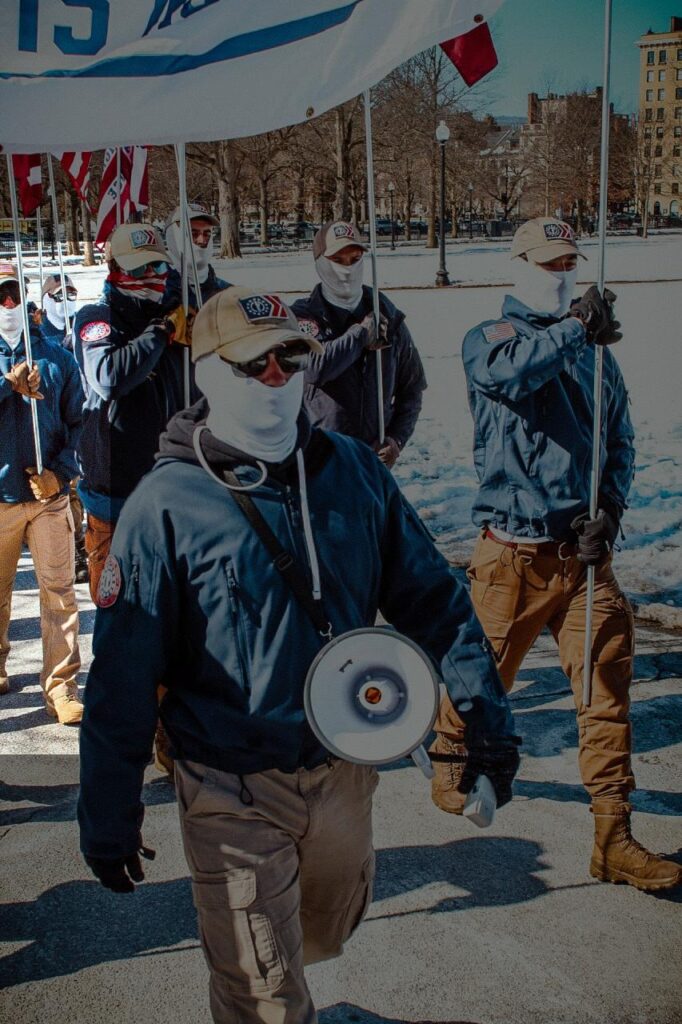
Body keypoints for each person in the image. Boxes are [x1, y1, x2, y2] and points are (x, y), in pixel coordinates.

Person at [78, 285, 521, 1024]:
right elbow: (123, 676)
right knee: (264, 993)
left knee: (323, 933)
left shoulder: (353, 470)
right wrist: (108, 810)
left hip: (344, 771)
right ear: (211, 372)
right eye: (256, 364)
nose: (278, 378)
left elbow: (434, 601)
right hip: (232, 786)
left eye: (292, 359)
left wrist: (484, 724)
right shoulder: (165, 505)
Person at [430, 217, 681, 892]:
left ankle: (613, 836)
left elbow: (620, 438)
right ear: (518, 267)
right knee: (481, 685)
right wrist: (575, 327)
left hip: (583, 563)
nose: (563, 270)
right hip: (510, 559)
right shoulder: (491, 338)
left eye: (571, 259)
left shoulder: (596, 354)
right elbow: (509, 377)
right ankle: (450, 755)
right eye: (549, 261)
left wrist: (612, 513)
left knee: (606, 698)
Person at [72, 222, 195, 604]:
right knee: (118, 605)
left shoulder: (180, 316)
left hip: (172, 485)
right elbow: (108, 377)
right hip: (115, 491)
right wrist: (159, 334)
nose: (150, 277)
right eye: (139, 269)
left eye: (158, 267)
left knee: (175, 605)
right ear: (116, 269)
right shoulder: (96, 317)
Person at [0, 261, 84, 723]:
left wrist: (61, 474)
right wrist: (5, 386)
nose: (8, 303)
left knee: (58, 591)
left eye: (14, 294)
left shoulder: (57, 357)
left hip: (48, 498)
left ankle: (61, 684)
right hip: (0, 498)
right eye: (0, 296)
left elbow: (80, 423)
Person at [291, 220, 426, 469]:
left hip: (372, 460)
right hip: (321, 458)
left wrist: (397, 439)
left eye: (354, 260)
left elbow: (412, 387)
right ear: (320, 262)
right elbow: (312, 368)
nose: (348, 269)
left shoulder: (387, 315)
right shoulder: (303, 316)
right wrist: (360, 336)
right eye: (338, 260)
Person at [37, 273, 89, 582]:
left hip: (76, 419)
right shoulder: (39, 337)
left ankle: (79, 547)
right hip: (46, 422)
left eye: (70, 293)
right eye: (58, 295)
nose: (65, 300)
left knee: (74, 488)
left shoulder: (82, 330)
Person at [164, 202, 230, 307]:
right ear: (173, 237)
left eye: (207, 234)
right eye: (193, 234)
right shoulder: (158, 294)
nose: (201, 240)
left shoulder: (227, 293)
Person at [38, 273, 79, 349]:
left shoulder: (80, 324)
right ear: (46, 299)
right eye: (60, 296)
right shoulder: (37, 332)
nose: (66, 301)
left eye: (71, 295)